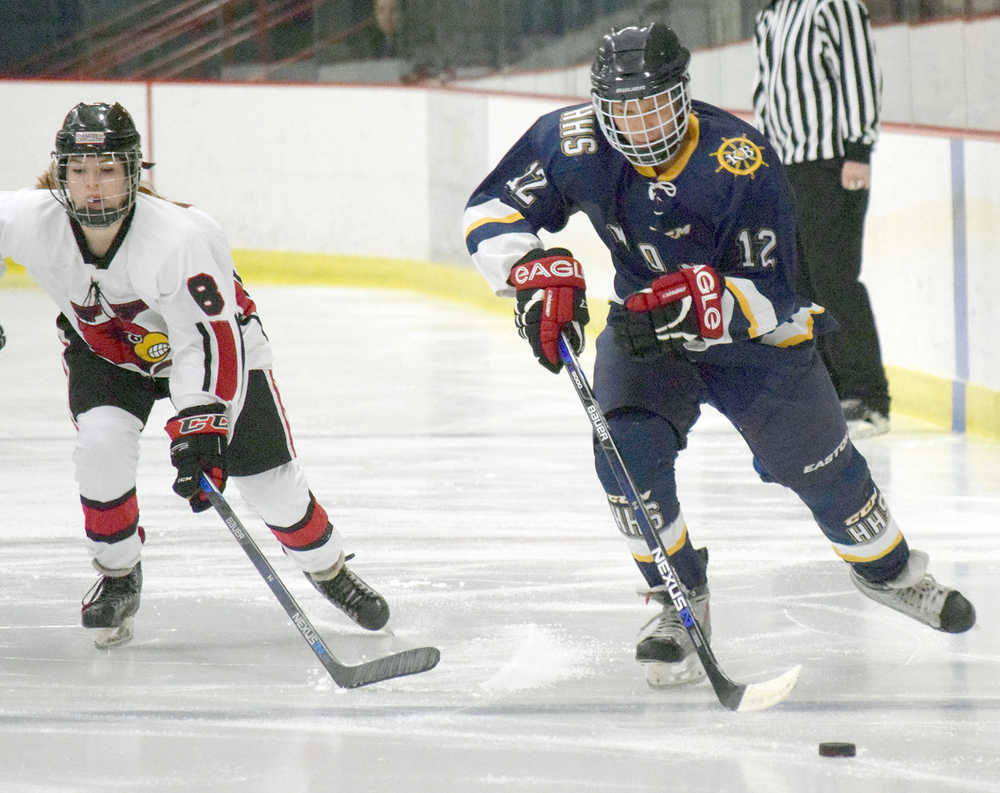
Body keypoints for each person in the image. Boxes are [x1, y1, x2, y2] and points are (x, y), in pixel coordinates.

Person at [462, 23, 975, 689]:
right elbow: (488, 211)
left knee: (826, 472)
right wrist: (532, 275)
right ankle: (680, 601)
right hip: (647, 330)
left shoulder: (742, 162)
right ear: (598, 106)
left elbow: (784, 292)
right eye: (625, 109)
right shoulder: (571, 143)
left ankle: (889, 572)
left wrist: (712, 303)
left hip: (757, 344)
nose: (642, 126)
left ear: (683, 95)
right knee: (623, 454)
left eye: (655, 105)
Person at [0, 101, 389, 648]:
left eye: (108, 170)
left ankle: (329, 569)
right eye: (80, 171)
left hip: (215, 349)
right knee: (101, 448)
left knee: (269, 487)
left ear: (133, 173)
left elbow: (207, 340)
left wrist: (203, 422)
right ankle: (118, 577)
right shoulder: (30, 220)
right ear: (60, 172)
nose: (93, 186)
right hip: (109, 356)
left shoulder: (179, 238)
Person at [752, 0, 890, 439]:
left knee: (835, 279)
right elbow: (766, 93)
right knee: (802, 283)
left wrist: (858, 152)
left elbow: (859, 75)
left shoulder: (832, 5)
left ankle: (867, 398)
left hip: (830, 164)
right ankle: (827, 392)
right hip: (787, 166)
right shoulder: (771, 15)